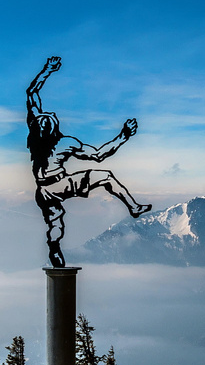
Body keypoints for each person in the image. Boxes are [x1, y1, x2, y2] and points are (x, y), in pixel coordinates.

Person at [27, 56, 152, 267]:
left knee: (55, 220)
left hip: (42, 191)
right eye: (51, 116)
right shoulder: (65, 142)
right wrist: (123, 136)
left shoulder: (35, 133)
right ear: (53, 127)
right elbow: (99, 155)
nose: (52, 113)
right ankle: (133, 207)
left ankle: (54, 249)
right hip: (59, 184)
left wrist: (47, 70)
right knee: (106, 177)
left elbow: (32, 92)